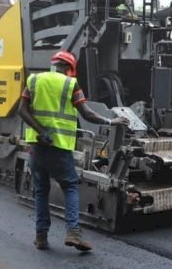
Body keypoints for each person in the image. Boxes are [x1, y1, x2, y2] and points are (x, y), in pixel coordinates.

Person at [18, 51, 128, 252]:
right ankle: (73, 233)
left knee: (41, 191)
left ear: (54, 64)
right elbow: (87, 113)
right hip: (59, 148)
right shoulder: (70, 85)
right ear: (70, 69)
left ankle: (41, 237)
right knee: (70, 187)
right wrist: (111, 121)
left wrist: (41, 131)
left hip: (37, 147)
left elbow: (22, 111)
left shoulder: (33, 80)